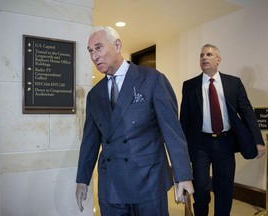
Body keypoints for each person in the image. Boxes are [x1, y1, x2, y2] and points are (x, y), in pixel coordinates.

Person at [75, 26, 194, 216]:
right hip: (110, 185)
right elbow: (90, 140)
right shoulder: (94, 95)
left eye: (98, 48)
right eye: (90, 51)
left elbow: (172, 131)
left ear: (117, 45)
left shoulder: (152, 80)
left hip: (148, 181)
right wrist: (82, 178)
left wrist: (183, 176)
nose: (94, 56)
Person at [180, 43, 265, 216]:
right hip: (200, 144)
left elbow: (247, 112)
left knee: (224, 188)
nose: (204, 57)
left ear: (218, 60)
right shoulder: (190, 86)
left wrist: (258, 140)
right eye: (202, 55)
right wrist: (181, 149)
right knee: (201, 187)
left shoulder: (233, 83)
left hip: (225, 142)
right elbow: (185, 119)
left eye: (209, 54)